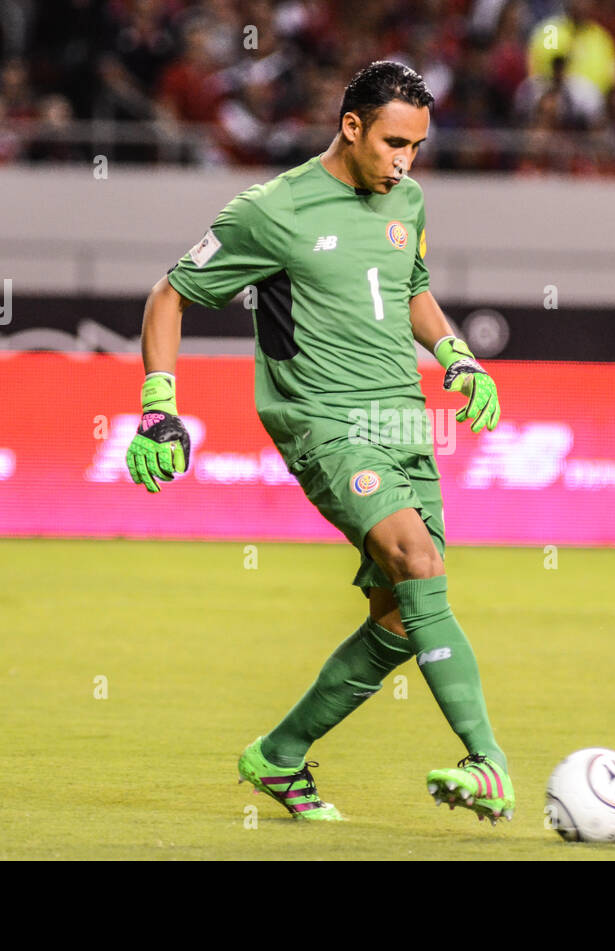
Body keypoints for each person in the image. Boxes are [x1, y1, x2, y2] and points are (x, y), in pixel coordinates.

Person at [124, 60, 513, 825]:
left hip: (402, 421)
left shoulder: (408, 199)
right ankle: (488, 760)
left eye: (418, 147)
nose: (405, 161)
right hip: (324, 420)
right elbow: (171, 293)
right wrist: (157, 405)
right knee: (419, 561)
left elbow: (408, 288)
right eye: (394, 142)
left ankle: (279, 754)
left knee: (402, 618)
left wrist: (457, 355)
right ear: (351, 127)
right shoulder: (273, 210)